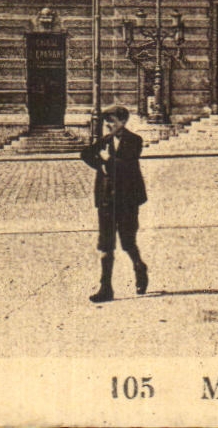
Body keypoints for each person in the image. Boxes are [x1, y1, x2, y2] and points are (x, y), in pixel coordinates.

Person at [79, 104, 149, 303]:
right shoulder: (105, 141)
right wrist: (100, 163)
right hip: (107, 199)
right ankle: (106, 288)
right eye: (106, 122)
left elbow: (127, 163)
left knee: (128, 242)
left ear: (123, 121)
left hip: (127, 200)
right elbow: (84, 154)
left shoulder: (135, 140)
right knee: (106, 244)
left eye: (112, 121)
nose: (108, 125)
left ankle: (139, 267)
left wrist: (107, 161)